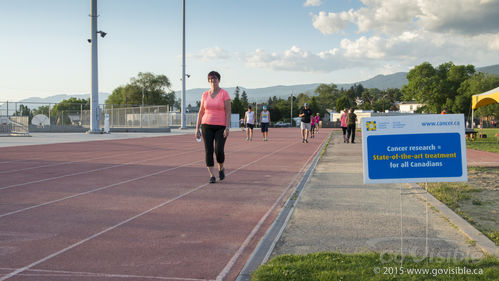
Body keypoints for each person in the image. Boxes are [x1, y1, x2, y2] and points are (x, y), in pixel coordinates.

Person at [195, 71, 231, 184]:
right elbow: (201, 112)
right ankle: (211, 175)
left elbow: (228, 112)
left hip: (221, 126)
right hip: (206, 125)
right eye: (210, 79)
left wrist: (227, 127)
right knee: (208, 150)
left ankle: (221, 168)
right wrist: (197, 128)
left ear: (218, 80)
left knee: (219, 150)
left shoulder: (224, 94)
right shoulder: (205, 95)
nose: (213, 81)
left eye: (215, 79)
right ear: (208, 81)